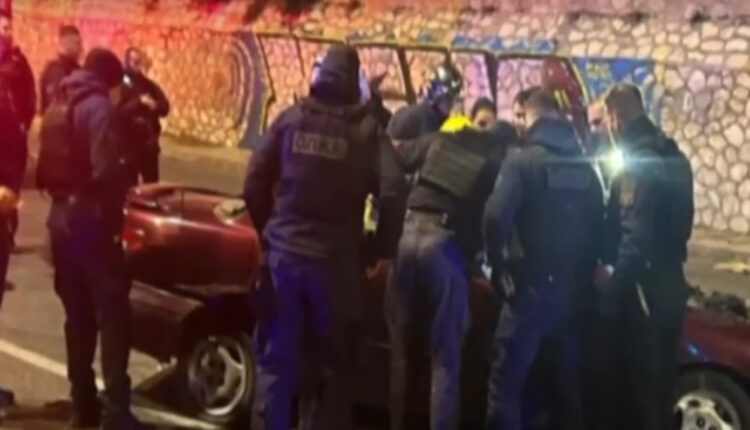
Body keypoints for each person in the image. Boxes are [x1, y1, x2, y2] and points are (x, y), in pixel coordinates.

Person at [244, 44, 396, 430]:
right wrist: (375, 248)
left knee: (276, 366)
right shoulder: (367, 132)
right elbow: (394, 192)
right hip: (336, 269)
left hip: (284, 264)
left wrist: (269, 233)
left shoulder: (291, 119)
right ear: (353, 83)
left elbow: (253, 181)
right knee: (331, 373)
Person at [386, 100, 511, 430]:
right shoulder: (494, 159)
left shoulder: (441, 140)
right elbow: (495, 216)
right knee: (445, 360)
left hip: (406, 238)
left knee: (402, 357)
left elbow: (394, 152)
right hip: (443, 245)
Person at [484, 89, 603, 430]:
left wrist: (497, 265)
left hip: (529, 292)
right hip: (572, 294)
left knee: (505, 388)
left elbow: (495, 217)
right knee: (564, 391)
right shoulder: (585, 167)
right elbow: (600, 222)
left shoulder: (522, 162)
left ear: (525, 114)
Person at [47, 48, 139, 429]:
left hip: (59, 220)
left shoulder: (60, 98)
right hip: (91, 222)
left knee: (77, 318)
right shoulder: (98, 107)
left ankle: (82, 405)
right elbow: (105, 171)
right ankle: (116, 412)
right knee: (113, 316)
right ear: (108, 79)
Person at [594, 83, 693, 430]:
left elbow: (635, 240)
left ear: (615, 118)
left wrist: (611, 290)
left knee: (638, 396)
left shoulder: (636, 162)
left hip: (641, 297)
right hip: (670, 284)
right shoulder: (673, 154)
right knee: (661, 391)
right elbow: (683, 226)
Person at [0, 10, 35, 258]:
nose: (8, 33)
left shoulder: (18, 61)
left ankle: (8, 233)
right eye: (3, 28)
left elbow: (30, 94)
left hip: (13, 138)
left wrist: (25, 122)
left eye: (10, 28)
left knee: (12, 187)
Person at [121, 46, 169, 183]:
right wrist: (139, 102)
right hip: (129, 146)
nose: (137, 65)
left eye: (139, 61)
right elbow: (118, 111)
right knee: (129, 185)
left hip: (148, 145)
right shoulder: (121, 85)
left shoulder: (149, 85)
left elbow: (165, 107)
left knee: (152, 184)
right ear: (127, 62)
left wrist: (154, 105)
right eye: (134, 61)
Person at [387, 61, 463, 143]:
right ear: (437, 96)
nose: (451, 105)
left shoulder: (439, 118)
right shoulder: (424, 118)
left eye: (453, 99)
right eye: (448, 98)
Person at [39, 24, 82, 113]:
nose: (81, 49)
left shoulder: (75, 69)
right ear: (68, 44)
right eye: (78, 44)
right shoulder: (55, 71)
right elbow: (57, 108)